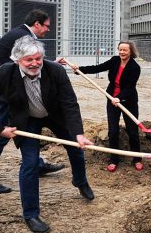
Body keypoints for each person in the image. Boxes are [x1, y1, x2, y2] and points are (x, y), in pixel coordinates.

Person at [0, 36, 95, 233]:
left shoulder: (55, 71)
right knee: (30, 163)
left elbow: (69, 103)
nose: (35, 63)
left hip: (54, 115)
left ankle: (80, 181)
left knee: (77, 149)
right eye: (29, 60)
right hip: (27, 121)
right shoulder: (3, 74)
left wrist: (78, 133)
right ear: (17, 59)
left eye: (38, 58)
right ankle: (31, 214)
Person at [0, 9, 63, 195]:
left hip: (11, 93)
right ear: (37, 24)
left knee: (29, 129)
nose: (47, 30)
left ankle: (36, 165)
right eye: (46, 26)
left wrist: (52, 63)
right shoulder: (21, 37)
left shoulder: (20, 34)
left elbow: (31, 63)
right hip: (4, 95)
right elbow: (24, 63)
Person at [61, 41, 142, 173]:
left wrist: (119, 98)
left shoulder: (135, 67)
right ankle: (114, 159)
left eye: (125, 50)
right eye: (120, 50)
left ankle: (137, 158)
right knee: (113, 130)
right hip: (111, 100)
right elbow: (98, 68)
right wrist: (80, 69)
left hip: (128, 101)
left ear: (131, 52)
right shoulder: (115, 60)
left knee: (132, 131)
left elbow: (130, 87)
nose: (122, 52)